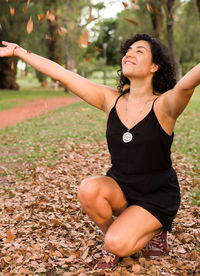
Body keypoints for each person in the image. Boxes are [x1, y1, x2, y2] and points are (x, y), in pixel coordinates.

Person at [0, 34, 199, 270]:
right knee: (89, 189)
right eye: (128, 50)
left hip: (156, 195)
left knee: (118, 242)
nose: (129, 53)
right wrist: (20, 52)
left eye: (139, 51)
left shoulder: (165, 105)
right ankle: (114, 238)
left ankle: (157, 227)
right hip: (121, 187)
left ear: (154, 66)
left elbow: (187, 84)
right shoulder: (109, 99)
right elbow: (62, 74)